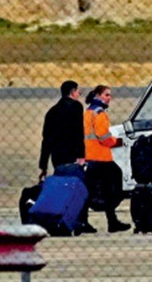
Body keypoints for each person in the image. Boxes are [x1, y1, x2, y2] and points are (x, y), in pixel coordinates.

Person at [83, 85, 130, 232]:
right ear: (98, 95)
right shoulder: (100, 114)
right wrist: (117, 142)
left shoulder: (88, 112)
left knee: (89, 190)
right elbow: (104, 137)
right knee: (112, 188)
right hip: (102, 157)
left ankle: (84, 221)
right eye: (106, 95)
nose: (109, 98)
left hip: (89, 156)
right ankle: (112, 221)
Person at [38, 80, 85, 181]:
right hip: (72, 153)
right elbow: (79, 131)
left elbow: (46, 140)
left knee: (61, 180)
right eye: (78, 91)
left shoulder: (51, 112)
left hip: (57, 155)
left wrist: (43, 165)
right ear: (73, 92)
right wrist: (81, 155)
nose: (79, 94)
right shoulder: (76, 106)